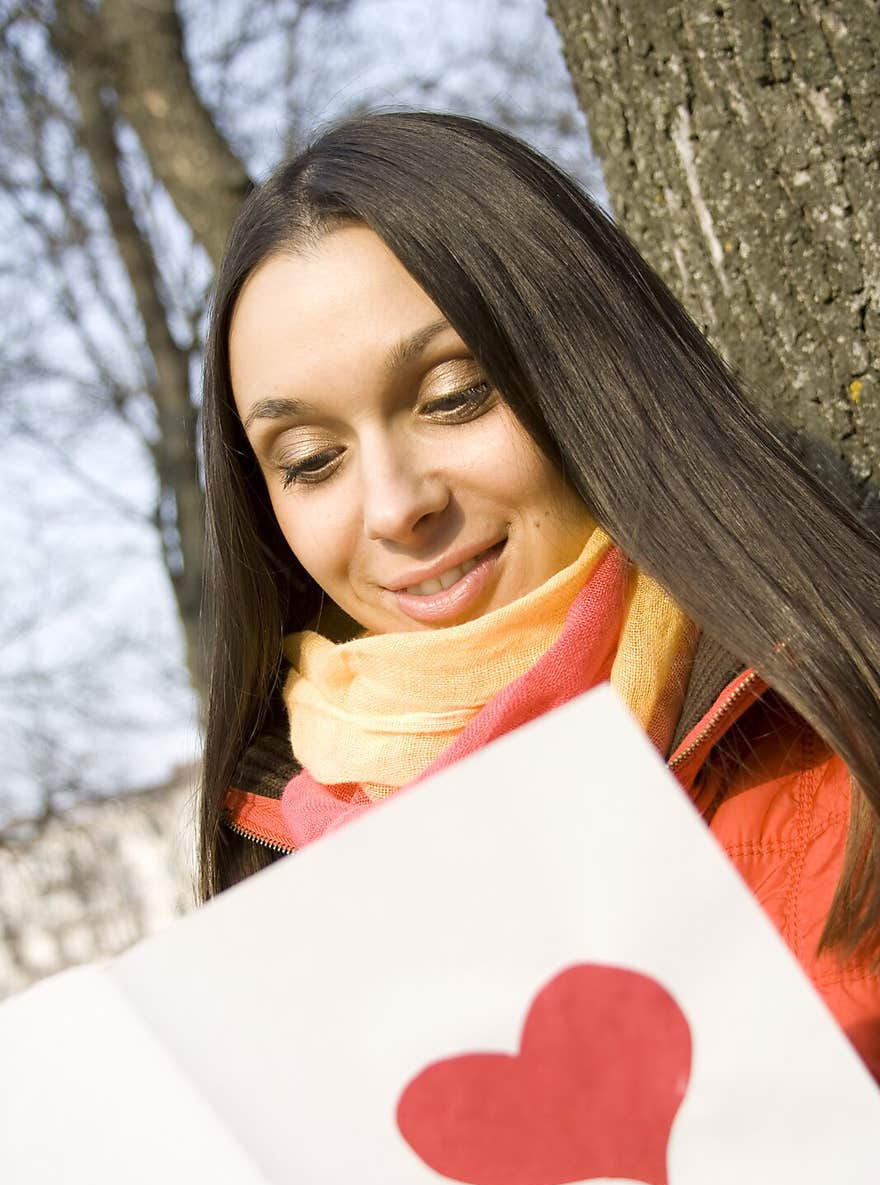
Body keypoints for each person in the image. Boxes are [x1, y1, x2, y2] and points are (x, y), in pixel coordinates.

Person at [197, 110, 880, 1082]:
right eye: (312, 460)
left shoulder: (850, 729)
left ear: (595, 366)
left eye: (452, 396)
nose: (395, 507)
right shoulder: (269, 886)